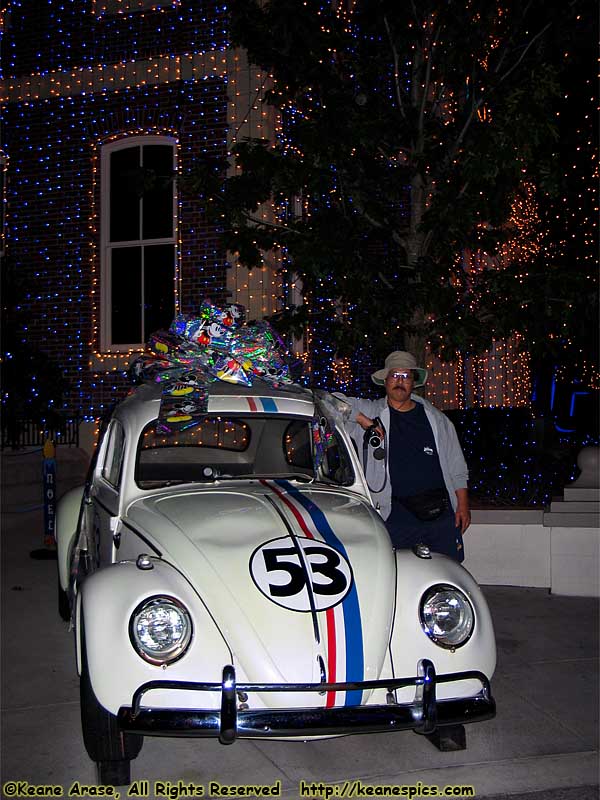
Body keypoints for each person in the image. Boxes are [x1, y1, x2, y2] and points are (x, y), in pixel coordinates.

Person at [335, 351, 470, 562]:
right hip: (393, 515)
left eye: (405, 376)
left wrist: (462, 505)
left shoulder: (437, 420)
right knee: (395, 574)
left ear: (414, 382)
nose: (400, 381)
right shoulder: (372, 412)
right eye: (395, 375)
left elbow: (456, 466)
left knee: (448, 573)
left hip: (438, 515)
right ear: (385, 380)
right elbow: (326, 401)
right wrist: (362, 419)